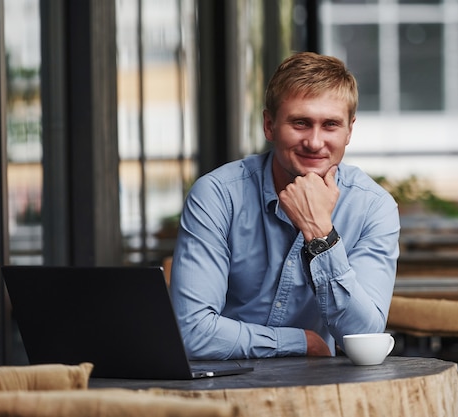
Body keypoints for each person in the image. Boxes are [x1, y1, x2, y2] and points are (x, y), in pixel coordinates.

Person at [169, 51, 400, 360]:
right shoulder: (217, 195)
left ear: (349, 131)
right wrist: (300, 342)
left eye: (330, 125)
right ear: (269, 125)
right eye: (300, 123)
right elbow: (191, 333)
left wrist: (320, 234)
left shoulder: (373, 206)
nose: (315, 142)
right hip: (223, 387)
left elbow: (364, 336)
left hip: (318, 392)